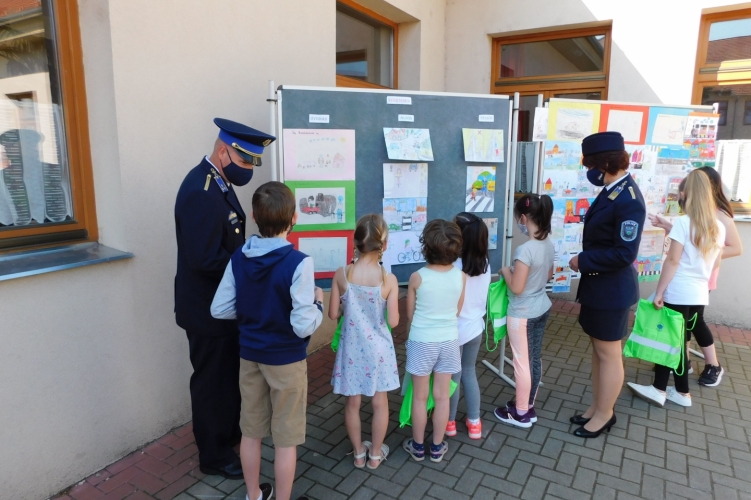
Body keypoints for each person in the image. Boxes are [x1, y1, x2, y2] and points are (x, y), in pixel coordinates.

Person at [174, 118, 275, 479]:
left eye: (252, 162)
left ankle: (228, 436)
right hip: (206, 311)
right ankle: (214, 455)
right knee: (211, 385)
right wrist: (249, 264)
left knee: (226, 379)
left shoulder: (217, 182)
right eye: (244, 160)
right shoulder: (201, 192)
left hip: (222, 308)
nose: (248, 168)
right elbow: (204, 259)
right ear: (222, 151)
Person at [210, 181, 323, 500]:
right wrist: (318, 303)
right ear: (294, 218)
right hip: (286, 360)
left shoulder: (239, 257)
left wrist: (254, 311)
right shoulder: (299, 262)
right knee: (286, 440)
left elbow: (219, 308)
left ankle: (254, 496)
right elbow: (302, 326)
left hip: (250, 357)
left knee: (251, 432)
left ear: (254, 217)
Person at [568, 131, 646, 438]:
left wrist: (583, 260)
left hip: (611, 290)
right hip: (599, 287)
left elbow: (624, 253)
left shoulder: (629, 199)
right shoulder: (613, 190)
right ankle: (597, 406)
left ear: (606, 163)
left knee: (609, 353)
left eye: (591, 165)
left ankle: (605, 414)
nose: (589, 171)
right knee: (598, 350)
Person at [627, 169, 725, 407]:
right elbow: (714, 261)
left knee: (671, 341)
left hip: (679, 291)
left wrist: (659, 292)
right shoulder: (717, 227)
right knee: (676, 342)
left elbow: (672, 261)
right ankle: (675, 391)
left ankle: (668, 390)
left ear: (688, 193)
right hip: (699, 293)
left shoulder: (684, 222)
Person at [648, 167, 743, 386]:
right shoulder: (693, 218)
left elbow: (736, 248)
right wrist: (671, 228)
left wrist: (704, 254)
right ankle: (683, 364)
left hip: (700, 277)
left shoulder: (720, 217)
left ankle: (712, 365)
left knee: (693, 321)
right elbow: (691, 239)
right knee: (685, 324)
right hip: (691, 278)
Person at [328, 214, 400, 470]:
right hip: (379, 351)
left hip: (351, 349)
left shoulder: (342, 274)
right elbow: (393, 321)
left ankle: (359, 453)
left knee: (352, 403)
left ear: (355, 242)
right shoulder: (388, 279)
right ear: (384, 245)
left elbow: (333, 314)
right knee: (380, 403)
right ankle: (376, 455)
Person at [402, 220, 466, 463]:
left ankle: (418, 446)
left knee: (420, 397)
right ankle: (437, 447)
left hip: (422, 341)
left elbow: (410, 315)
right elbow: (457, 311)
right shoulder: (461, 277)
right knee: (442, 396)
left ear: (426, 246)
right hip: (448, 341)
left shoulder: (417, 277)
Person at [494, 194, 555, 428]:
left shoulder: (524, 250)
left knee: (521, 363)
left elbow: (517, 288)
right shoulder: (548, 244)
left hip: (522, 313)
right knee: (533, 359)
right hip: (541, 307)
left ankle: (520, 413)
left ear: (522, 218)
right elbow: (548, 275)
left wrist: (505, 271)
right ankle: (527, 405)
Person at [446, 213, 491, 440]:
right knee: (470, 373)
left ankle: (449, 422)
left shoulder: (453, 266)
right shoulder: (485, 264)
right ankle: (474, 423)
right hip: (475, 329)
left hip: (456, 330)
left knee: (453, 378)